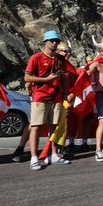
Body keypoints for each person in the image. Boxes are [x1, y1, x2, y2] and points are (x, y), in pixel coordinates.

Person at [24, 30, 70, 170]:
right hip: (40, 96)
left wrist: (65, 92)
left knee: (54, 126)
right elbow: (27, 77)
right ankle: (34, 158)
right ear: (45, 42)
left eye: (56, 41)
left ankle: (53, 155)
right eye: (52, 41)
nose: (55, 43)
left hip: (56, 97)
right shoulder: (36, 58)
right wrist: (45, 80)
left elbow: (60, 76)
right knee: (36, 127)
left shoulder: (60, 59)